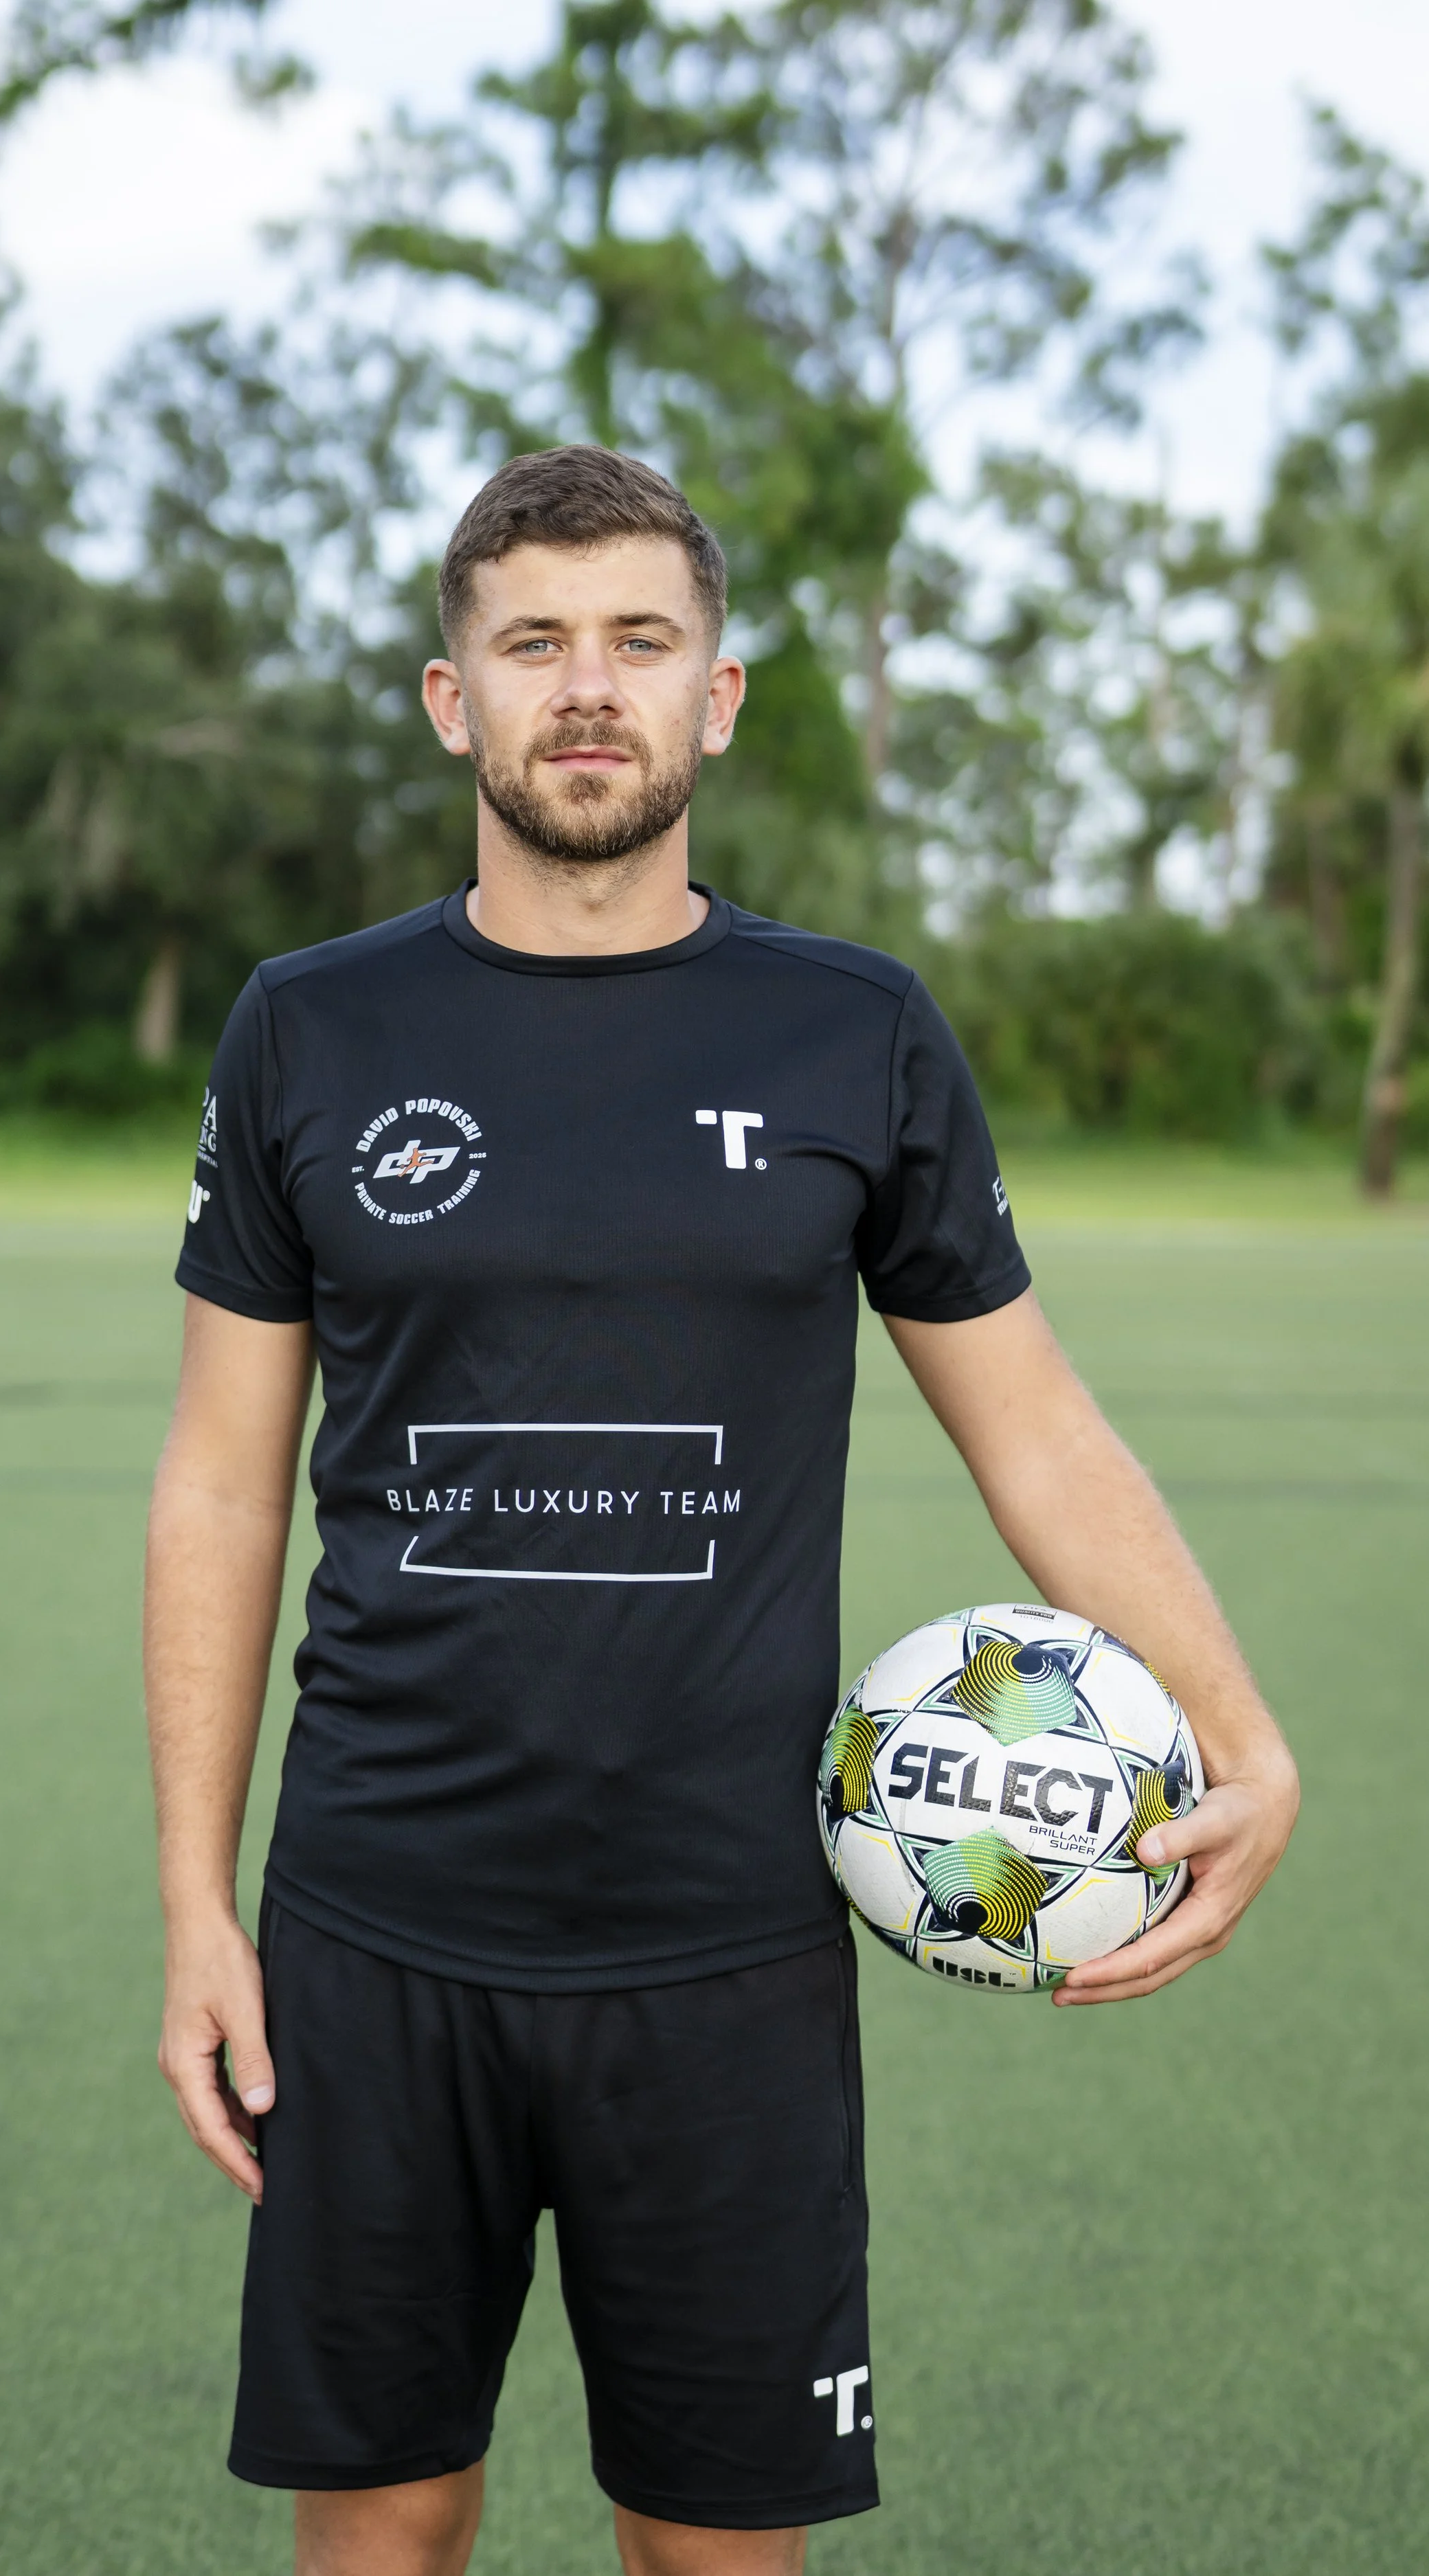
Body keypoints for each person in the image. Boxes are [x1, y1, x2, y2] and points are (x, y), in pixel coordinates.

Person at [144, 446, 1299, 2576]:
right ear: (451, 699)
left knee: (712, 2543)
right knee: (380, 2524)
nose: (587, 686)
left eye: (638, 640)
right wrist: (196, 1907)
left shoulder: (850, 1030)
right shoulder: (310, 1027)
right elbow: (219, 1480)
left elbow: (1032, 1424)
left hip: (729, 1940)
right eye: (533, 643)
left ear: (719, 693)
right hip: (376, 1921)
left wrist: (1240, 1732)